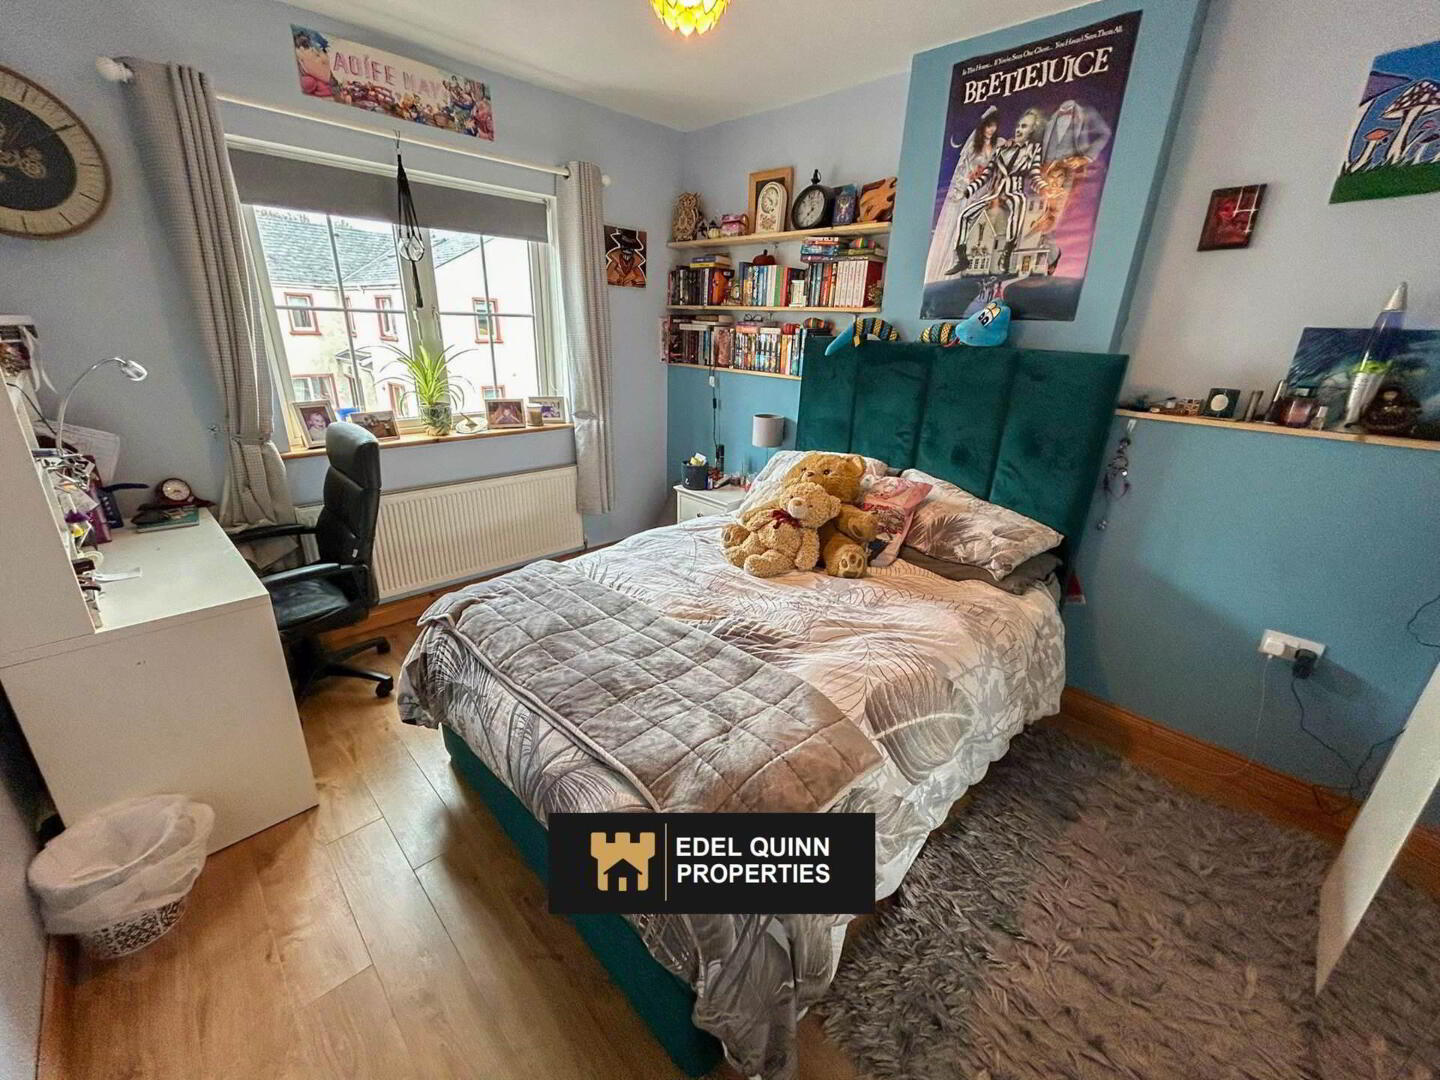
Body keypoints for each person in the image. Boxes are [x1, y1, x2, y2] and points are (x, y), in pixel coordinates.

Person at [947, 107, 1047, 278]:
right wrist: (967, 191)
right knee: (965, 215)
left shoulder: (1033, 150)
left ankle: (1007, 252)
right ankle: (962, 258)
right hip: (995, 193)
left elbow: (1035, 174)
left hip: (1014, 191)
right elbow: (985, 175)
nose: (1019, 129)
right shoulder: (1001, 150)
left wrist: (1044, 188)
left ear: (1032, 130)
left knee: (1019, 204)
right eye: (1019, 126)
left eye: (1024, 127)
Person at [924, 106, 1003, 283]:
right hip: (970, 190)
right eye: (988, 125)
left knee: (976, 229)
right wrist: (968, 180)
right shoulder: (974, 147)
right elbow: (963, 170)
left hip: (983, 191)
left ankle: (965, 268)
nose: (990, 129)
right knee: (958, 225)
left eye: (994, 126)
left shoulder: (998, 145)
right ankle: (948, 266)